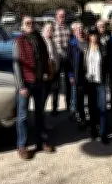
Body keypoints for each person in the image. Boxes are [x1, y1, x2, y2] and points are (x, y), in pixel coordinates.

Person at [12, 16, 55, 160]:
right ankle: (22, 146)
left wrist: (46, 73)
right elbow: (16, 64)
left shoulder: (39, 39)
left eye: (32, 23)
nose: (30, 25)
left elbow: (45, 57)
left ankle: (41, 142)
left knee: (40, 113)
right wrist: (21, 85)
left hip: (39, 82)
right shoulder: (19, 41)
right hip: (26, 83)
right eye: (27, 23)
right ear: (23, 26)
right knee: (23, 116)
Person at [81, 30, 112, 143]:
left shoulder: (103, 48)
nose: (93, 37)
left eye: (95, 35)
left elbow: (108, 64)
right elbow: (82, 66)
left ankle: (103, 133)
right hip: (90, 83)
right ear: (89, 37)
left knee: (103, 107)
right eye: (91, 35)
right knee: (91, 107)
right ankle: (94, 131)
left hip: (101, 82)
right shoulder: (85, 49)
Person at [67, 22, 88, 124]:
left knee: (90, 96)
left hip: (89, 74)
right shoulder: (71, 44)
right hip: (78, 74)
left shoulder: (88, 41)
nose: (80, 30)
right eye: (77, 29)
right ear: (74, 31)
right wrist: (71, 75)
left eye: (81, 28)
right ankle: (81, 117)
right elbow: (69, 62)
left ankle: (91, 117)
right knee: (79, 97)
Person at [52, 9, 71, 113]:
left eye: (63, 15)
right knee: (56, 83)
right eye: (60, 15)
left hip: (67, 58)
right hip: (57, 58)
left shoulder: (68, 27)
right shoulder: (53, 27)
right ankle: (55, 106)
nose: (62, 17)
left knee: (68, 82)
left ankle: (68, 104)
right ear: (56, 16)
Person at [41, 22, 59, 116]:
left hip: (54, 69)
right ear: (44, 30)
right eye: (47, 29)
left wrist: (57, 67)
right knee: (45, 92)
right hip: (45, 71)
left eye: (51, 29)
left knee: (55, 89)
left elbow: (55, 56)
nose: (49, 31)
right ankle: (41, 111)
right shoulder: (41, 41)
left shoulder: (52, 41)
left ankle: (54, 109)